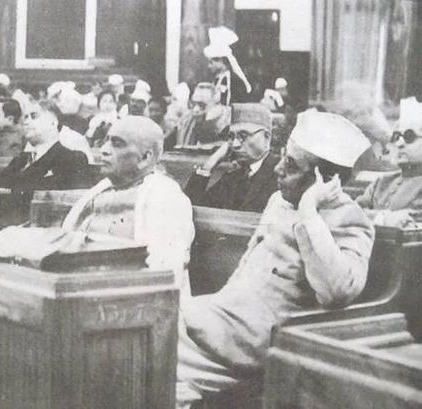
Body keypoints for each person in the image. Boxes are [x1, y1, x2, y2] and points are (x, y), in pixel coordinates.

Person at [176, 110, 374, 408]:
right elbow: (246, 267)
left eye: (291, 165)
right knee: (150, 321)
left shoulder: (350, 219)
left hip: (259, 340)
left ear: (326, 179)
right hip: (224, 319)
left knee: (152, 336)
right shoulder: (278, 201)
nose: (278, 169)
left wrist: (309, 211)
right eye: (282, 157)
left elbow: (338, 292)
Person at [62, 116, 195, 293]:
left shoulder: (165, 196)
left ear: (146, 157)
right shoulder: (100, 189)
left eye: (117, 144)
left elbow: (163, 271)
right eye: (105, 141)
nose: (103, 150)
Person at [185, 103, 279, 212]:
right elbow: (189, 210)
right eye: (231, 137)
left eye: (243, 136)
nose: (235, 144)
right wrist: (209, 165)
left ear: (267, 137)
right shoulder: (232, 177)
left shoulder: (281, 174)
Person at [0, 99, 89, 190]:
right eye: (25, 117)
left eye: (34, 116)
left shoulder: (72, 158)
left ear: (53, 123)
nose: (26, 122)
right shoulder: (23, 157)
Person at [356, 97, 422, 227]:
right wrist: (383, 218)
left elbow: (410, 219)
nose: (400, 143)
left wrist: (370, 216)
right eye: (397, 136)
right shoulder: (381, 183)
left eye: (409, 137)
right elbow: (352, 212)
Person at [164, 83, 230, 149]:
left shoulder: (229, 122)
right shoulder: (186, 119)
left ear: (216, 103)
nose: (195, 109)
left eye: (201, 105)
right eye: (193, 104)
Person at [204, 26, 252, 105]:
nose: (209, 66)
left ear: (221, 61)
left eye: (211, 62)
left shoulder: (232, 80)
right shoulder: (217, 79)